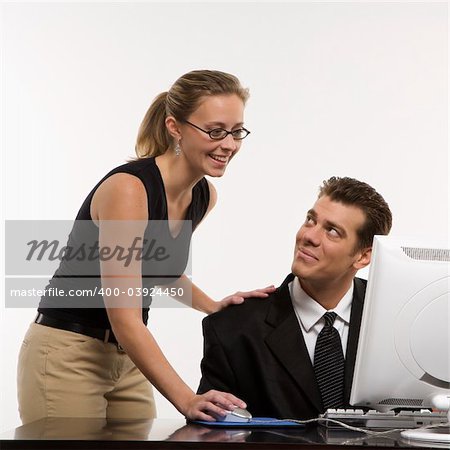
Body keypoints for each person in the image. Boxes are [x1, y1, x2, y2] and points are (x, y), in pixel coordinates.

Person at [17, 70, 275, 424]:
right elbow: (124, 314)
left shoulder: (203, 196)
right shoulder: (129, 190)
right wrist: (186, 398)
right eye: (215, 131)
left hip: (128, 357)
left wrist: (213, 306)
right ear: (175, 127)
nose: (229, 144)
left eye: (236, 132)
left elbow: (158, 269)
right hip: (68, 352)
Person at [198, 176, 392, 419]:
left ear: (363, 257)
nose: (309, 236)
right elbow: (209, 433)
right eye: (311, 220)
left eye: (332, 231)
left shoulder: (395, 321)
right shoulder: (233, 329)